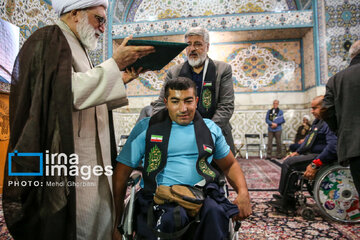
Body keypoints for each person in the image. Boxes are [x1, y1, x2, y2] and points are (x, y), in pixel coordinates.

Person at [3, 0, 155, 239]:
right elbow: (63, 92)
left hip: (94, 159)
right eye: (100, 19)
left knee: (98, 221)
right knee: (77, 225)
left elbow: (86, 98)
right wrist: (114, 64)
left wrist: (121, 79)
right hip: (70, 161)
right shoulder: (49, 39)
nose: (103, 28)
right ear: (75, 13)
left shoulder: (78, 46)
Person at [113, 77, 251, 240]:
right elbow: (121, 175)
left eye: (188, 101)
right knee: (168, 219)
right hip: (159, 196)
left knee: (216, 213)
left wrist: (243, 193)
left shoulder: (210, 129)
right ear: (166, 102)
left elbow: (229, 165)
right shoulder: (147, 128)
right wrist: (116, 224)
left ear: (196, 101)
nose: (183, 108)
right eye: (175, 101)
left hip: (202, 194)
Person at [151, 26, 236, 154]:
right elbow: (161, 104)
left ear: (207, 47)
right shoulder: (174, 72)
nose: (192, 49)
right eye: (188, 45)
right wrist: (159, 126)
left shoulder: (222, 69)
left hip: (215, 132)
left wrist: (205, 132)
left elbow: (226, 106)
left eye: (197, 44)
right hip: (181, 134)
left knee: (217, 172)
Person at [268, 96, 337, 212]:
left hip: (322, 156)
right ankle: (285, 195)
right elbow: (308, 140)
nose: (312, 111)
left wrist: (316, 163)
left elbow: (332, 147)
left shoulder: (329, 122)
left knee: (290, 164)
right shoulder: (318, 121)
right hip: (314, 153)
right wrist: (297, 152)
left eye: (315, 108)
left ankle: (288, 201)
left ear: (324, 107)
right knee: (290, 160)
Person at [321, 40, 360, 196]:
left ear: (351, 55)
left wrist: (341, 130)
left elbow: (327, 110)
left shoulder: (337, 79)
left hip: (354, 145)